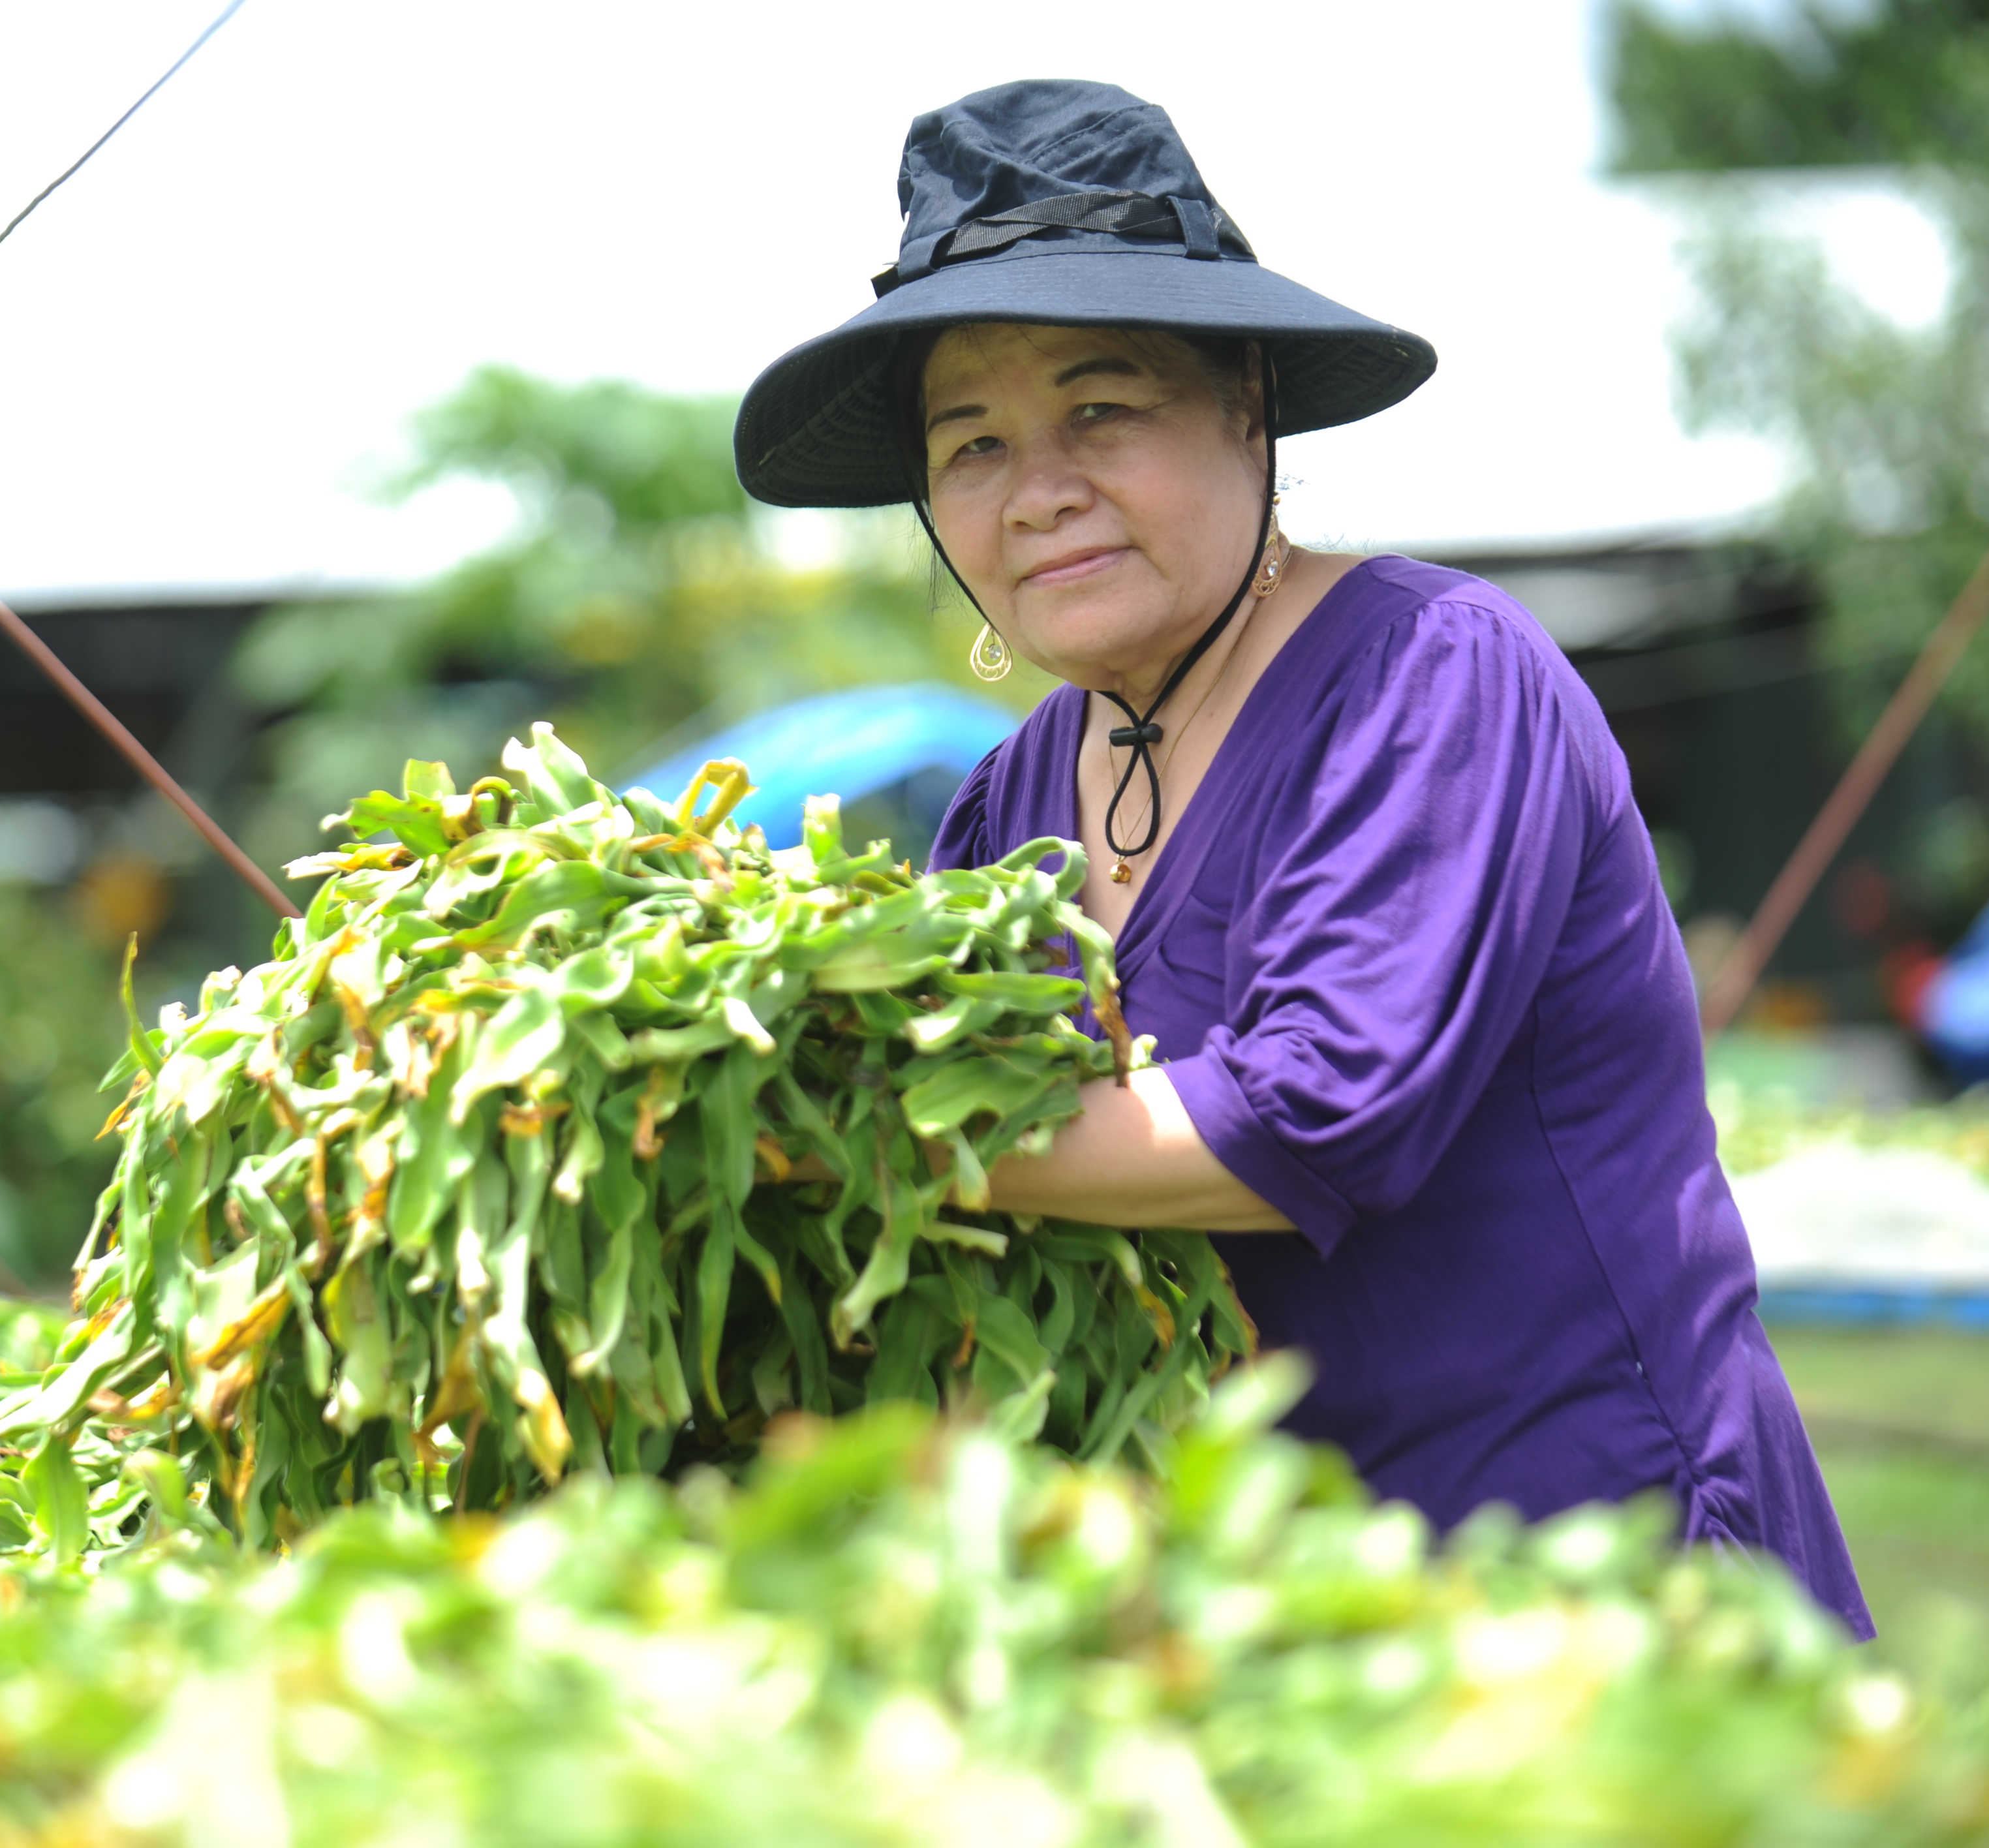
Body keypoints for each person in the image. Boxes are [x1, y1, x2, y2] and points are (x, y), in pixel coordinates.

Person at [735, 79, 1868, 1635]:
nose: (1038, 488)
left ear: (1246, 404)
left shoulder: (1436, 678)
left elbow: (1318, 1110)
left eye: (1100, 410)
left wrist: (814, 1136)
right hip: (1281, 1626)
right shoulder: (1003, 816)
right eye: (973, 444)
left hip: (1599, 1589)